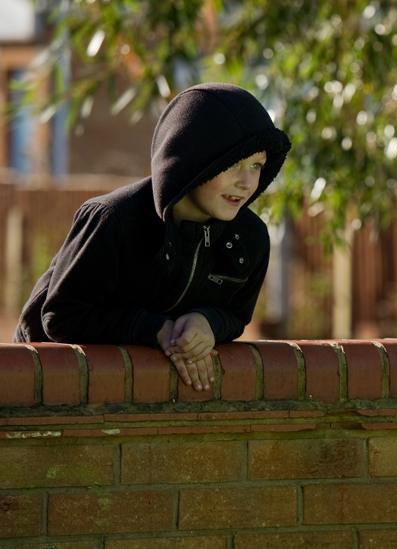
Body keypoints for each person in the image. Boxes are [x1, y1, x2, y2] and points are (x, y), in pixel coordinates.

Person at [14, 83, 291, 392]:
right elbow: (60, 316)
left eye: (256, 166)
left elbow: (236, 315)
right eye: (232, 165)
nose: (246, 182)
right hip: (43, 389)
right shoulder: (113, 218)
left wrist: (207, 323)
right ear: (192, 158)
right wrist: (157, 330)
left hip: (134, 396)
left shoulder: (249, 238)